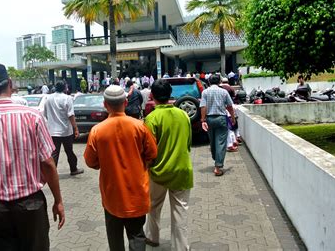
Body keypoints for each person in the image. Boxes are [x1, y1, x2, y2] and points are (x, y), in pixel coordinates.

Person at [0, 64, 65, 250]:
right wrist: (58, 200)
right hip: (30, 204)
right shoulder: (34, 116)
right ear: (10, 83)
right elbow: (48, 163)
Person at [84, 85, 157, 250]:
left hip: (112, 195)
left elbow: (90, 162)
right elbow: (152, 154)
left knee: (114, 237)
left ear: (105, 104)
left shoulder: (97, 131)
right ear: (125, 102)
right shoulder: (139, 126)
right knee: (137, 235)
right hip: (137, 192)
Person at [144, 79, 193, 249]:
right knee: (180, 210)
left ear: (153, 96)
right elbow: (188, 143)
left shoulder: (151, 118)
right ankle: (181, 247)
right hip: (182, 169)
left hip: (158, 171)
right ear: (170, 94)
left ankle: (152, 237)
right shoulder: (184, 115)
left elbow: (149, 151)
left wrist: (146, 167)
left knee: (153, 206)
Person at [43, 81, 84, 176]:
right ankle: (73, 169)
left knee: (54, 153)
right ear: (65, 88)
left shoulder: (48, 98)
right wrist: (76, 128)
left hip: (52, 131)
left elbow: (45, 114)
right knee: (69, 151)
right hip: (66, 131)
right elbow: (71, 115)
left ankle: (51, 172)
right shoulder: (67, 98)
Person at [199, 74, 236, 176]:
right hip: (221, 118)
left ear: (209, 82)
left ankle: (216, 159)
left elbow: (203, 106)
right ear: (220, 82)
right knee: (220, 143)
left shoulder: (205, 92)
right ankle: (218, 166)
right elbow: (229, 106)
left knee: (213, 141)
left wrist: (203, 120)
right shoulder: (224, 92)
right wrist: (232, 118)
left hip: (210, 119)